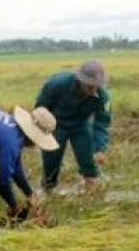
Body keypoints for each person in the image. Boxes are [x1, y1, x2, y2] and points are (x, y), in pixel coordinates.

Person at [35, 59, 112, 191]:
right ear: (80, 79)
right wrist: (43, 124)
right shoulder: (58, 83)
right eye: (89, 85)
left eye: (96, 85)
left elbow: (102, 122)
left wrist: (100, 148)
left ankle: (91, 188)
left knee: (88, 160)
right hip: (56, 124)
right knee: (51, 161)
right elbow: (41, 105)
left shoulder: (103, 96)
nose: (93, 89)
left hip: (81, 125)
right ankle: (49, 189)